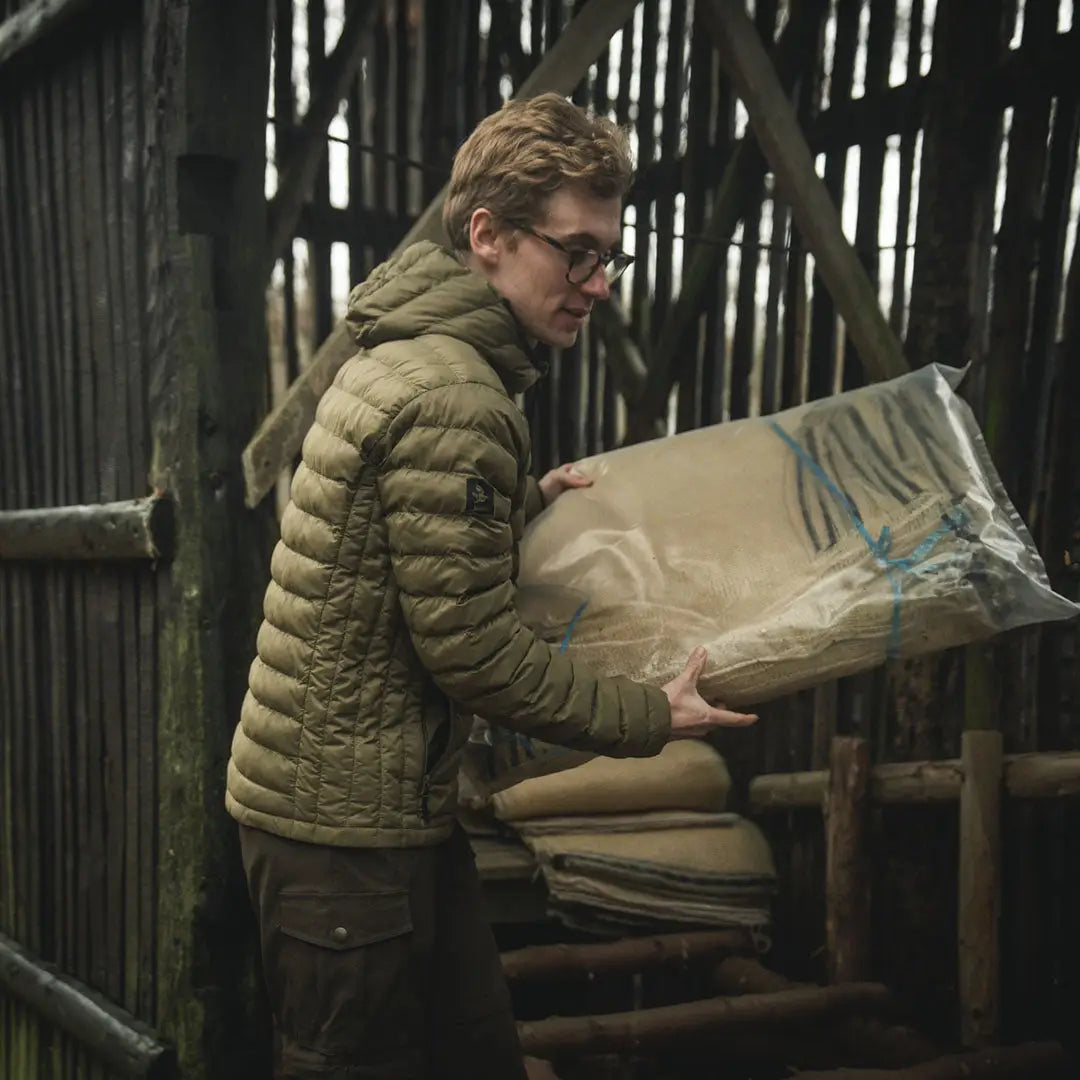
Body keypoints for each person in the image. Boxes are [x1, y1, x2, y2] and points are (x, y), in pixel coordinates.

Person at [226, 92, 758, 1080]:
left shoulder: (406, 351)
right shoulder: (458, 398)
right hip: (345, 835)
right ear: (488, 236)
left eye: (610, 255)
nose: (598, 284)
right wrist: (652, 714)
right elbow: (474, 656)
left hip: (380, 811)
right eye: (577, 252)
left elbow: (386, 550)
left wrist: (519, 503)